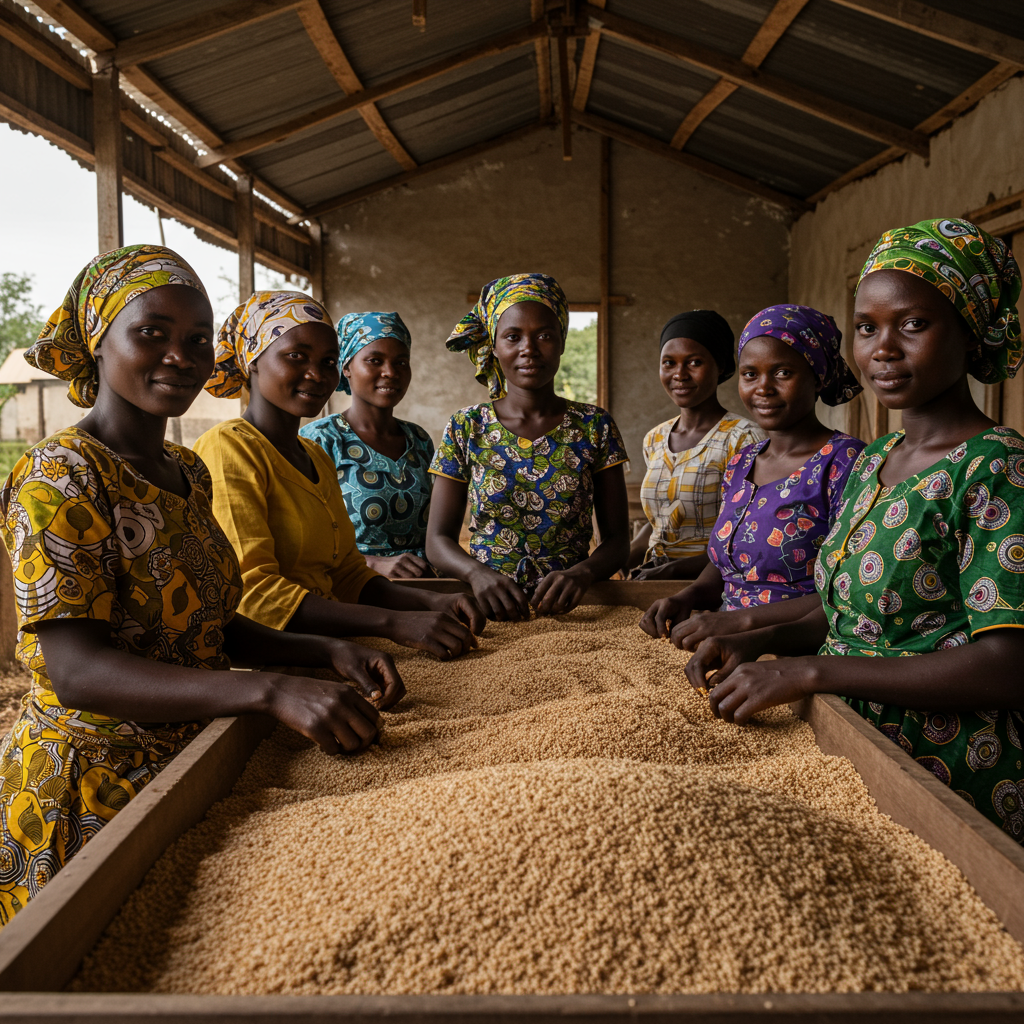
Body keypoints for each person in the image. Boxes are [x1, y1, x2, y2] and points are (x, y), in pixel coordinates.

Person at [0, 248, 402, 923]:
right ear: (100, 340)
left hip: (191, 759)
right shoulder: (60, 474)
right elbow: (78, 670)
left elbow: (208, 622)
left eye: (195, 339)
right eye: (151, 333)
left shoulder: (186, 470)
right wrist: (269, 687)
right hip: (91, 785)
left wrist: (321, 652)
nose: (179, 356)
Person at [682, 219, 1024, 842]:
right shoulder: (876, 460)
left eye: (913, 324)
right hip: (846, 735)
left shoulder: (996, 467)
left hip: (939, 770)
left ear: (971, 333)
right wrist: (765, 640)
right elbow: (848, 609)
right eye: (868, 328)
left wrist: (809, 671)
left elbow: (1007, 663)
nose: (882, 349)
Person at [194, 292, 483, 660]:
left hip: (331, 636)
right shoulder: (229, 448)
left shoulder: (311, 454)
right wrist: (392, 624)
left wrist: (433, 600)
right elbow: (253, 594)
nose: (316, 374)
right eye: (296, 356)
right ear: (252, 360)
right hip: (275, 654)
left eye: (327, 361)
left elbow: (347, 575)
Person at [640, 303, 865, 646]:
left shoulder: (846, 462)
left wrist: (737, 623)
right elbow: (724, 564)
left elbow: (848, 590)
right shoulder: (743, 461)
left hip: (798, 648)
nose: (763, 388)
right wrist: (689, 596)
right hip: (725, 639)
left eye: (783, 373)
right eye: (750, 374)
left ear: (818, 375)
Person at [426, 273, 630, 620]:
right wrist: (477, 574)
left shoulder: (595, 426)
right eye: (512, 336)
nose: (529, 349)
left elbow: (617, 542)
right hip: (487, 605)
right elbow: (437, 541)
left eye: (545, 336)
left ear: (563, 341)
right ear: (493, 344)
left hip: (574, 608)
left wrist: (581, 574)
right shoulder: (466, 426)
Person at [626, 309, 764, 581]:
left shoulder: (743, 438)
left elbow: (750, 534)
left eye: (694, 362)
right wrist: (606, 562)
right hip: (654, 579)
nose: (680, 374)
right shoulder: (655, 439)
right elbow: (659, 525)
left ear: (721, 366)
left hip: (715, 585)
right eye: (669, 363)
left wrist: (675, 569)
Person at [299, 312, 435, 579]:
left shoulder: (418, 439)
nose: (390, 372)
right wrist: (372, 563)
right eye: (375, 360)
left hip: (425, 586)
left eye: (401, 362)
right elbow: (304, 540)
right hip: (354, 585)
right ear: (346, 367)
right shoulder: (321, 438)